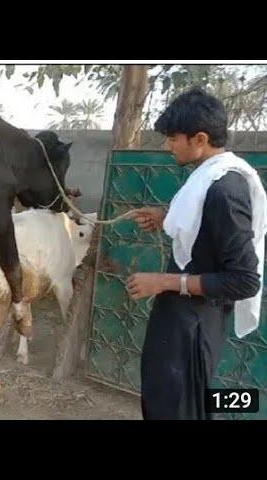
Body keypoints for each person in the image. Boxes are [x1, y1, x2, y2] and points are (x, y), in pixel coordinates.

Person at [127, 87, 267, 420]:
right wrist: (166, 217)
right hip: (179, 318)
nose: (168, 145)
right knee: (165, 401)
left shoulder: (225, 190)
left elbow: (244, 281)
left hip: (192, 326)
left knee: (179, 409)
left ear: (199, 138)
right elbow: (205, 231)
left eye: (173, 138)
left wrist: (163, 281)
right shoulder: (208, 176)